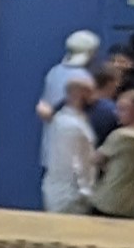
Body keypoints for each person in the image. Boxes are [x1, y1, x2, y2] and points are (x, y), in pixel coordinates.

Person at [90, 87, 134, 218]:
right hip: (131, 206)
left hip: (107, 201)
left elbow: (95, 159)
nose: (117, 113)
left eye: (123, 109)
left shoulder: (121, 136)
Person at [42, 79, 99, 217]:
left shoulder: (73, 119)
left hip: (69, 192)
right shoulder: (69, 124)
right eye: (89, 93)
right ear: (78, 94)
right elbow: (72, 163)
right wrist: (84, 191)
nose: (94, 98)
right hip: (69, 195)